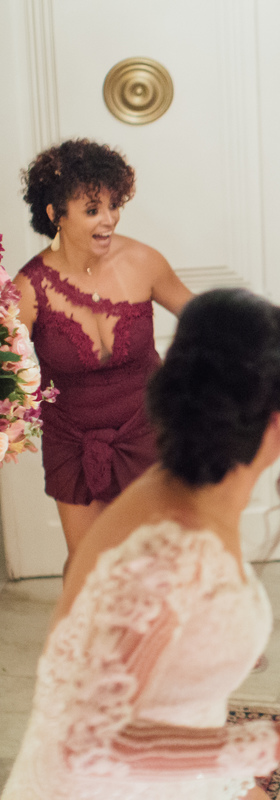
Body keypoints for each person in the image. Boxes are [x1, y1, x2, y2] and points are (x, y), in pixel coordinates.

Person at [1, 289, 280, 799]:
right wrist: (277, 741)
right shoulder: (169, 549)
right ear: (279, 422)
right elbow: (84, 744)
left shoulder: (184, 494)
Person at [14, 139, 193, 565]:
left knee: (154, 558)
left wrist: (268, 339)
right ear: (56, 214)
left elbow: (205, 317)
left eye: (114, 206)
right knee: (87, 561)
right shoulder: (28, 288)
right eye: (93, 209)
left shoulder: (144, 262)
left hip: (148, 427)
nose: (109, 219)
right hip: (72, 439)